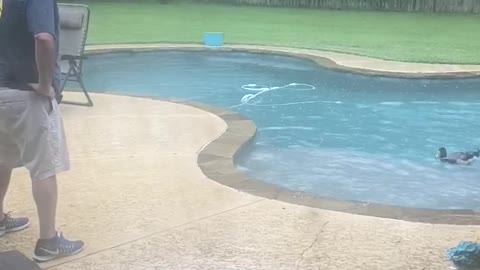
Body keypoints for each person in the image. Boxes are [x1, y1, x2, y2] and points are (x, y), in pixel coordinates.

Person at [0, 0, 84, 262]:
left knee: (2, 158)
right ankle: (48, 242)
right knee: (44, 167)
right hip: (26, 93)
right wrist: (46, 85)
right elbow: (44, 38)